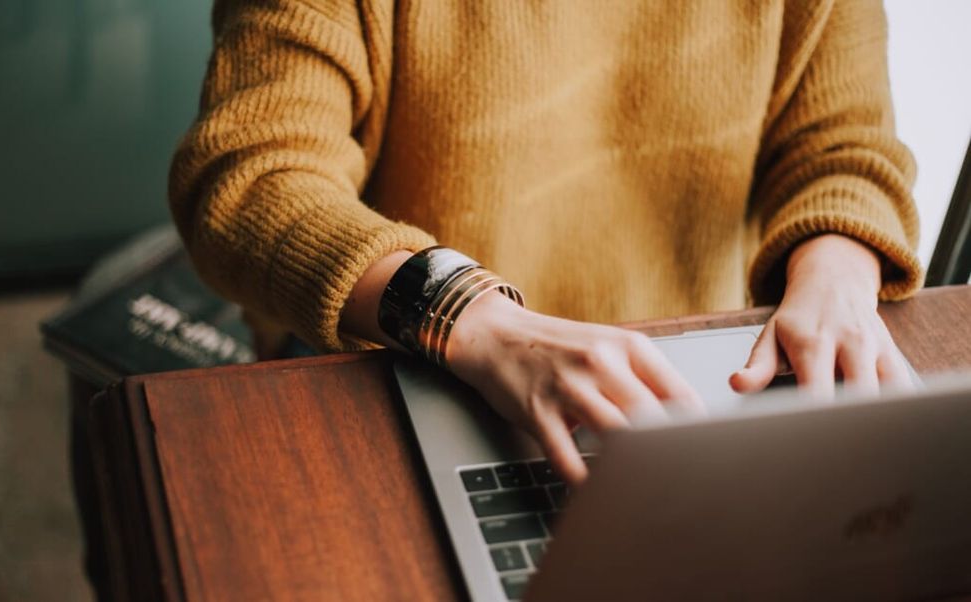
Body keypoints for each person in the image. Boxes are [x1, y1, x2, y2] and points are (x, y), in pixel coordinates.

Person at [169, 0, 922, 484]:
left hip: (687, 391)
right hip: (405, 368)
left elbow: (844, 146)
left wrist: (837, 275)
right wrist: (474, 318)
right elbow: (251, 177)